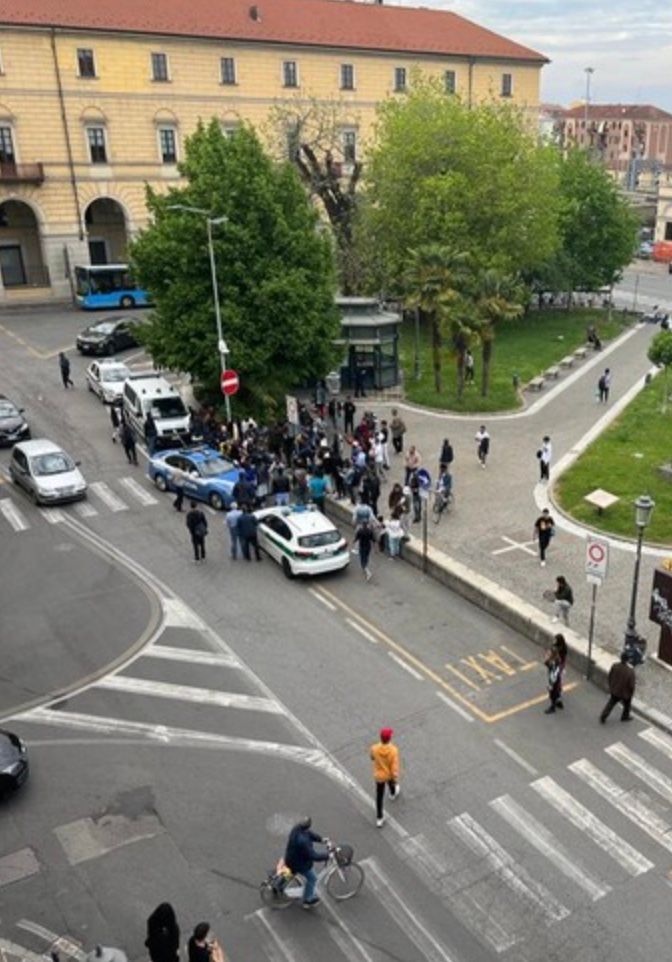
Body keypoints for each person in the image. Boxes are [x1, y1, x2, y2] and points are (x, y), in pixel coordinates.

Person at [284, 816, 329, 908]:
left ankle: (280, 885)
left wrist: (321, 839)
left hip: (291, 858)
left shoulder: (297, 829)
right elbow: (313, 856)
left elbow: (309, 834)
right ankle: (308, 900)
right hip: (300, 863)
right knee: (312, 878)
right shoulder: (303, 841)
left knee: (291, 872)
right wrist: (327, 856)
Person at [370, 727, 400, 827]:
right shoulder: (393, 750)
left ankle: (379, 817)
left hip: (379, 775)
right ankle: (392, 793)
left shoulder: (374, 748)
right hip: (389, 774)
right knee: (391, 783)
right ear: (389, 738)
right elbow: (394, 766)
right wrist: (395, 776)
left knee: (379, 796)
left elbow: (372, 757)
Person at [600, 653, 636, 723]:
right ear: (628, 660)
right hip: (625, 693)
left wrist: (611, 686)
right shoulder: (630, 671)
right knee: (627, 705)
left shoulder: (615, 666)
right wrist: (631, 693)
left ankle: (603, 716)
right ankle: (624, 717)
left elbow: (610, 676)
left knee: (611, 704)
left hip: (615, 690)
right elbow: (631, 685)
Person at [544, 647, 562, 715]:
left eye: (549, 653)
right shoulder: (557, 660)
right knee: (556, 691)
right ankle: (558, 702)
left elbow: (546, 663)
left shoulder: (553, 663)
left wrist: (550, 685)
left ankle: (553, 707)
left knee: (552, 694)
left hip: (553, 680)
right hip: (556, 679)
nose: (548, 654)